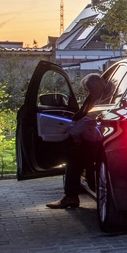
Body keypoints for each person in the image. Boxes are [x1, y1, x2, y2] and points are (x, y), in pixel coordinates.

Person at [46, 74, 109, 209]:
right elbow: (83, 115)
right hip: (94, 139)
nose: (89, 92)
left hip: (98, 140)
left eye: (90, 89)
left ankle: (71, 196)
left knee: (73, 158)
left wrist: (74, 131)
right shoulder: (99, 97)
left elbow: (89, 119)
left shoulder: (104, 99)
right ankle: (73, 194)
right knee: (74, 157)